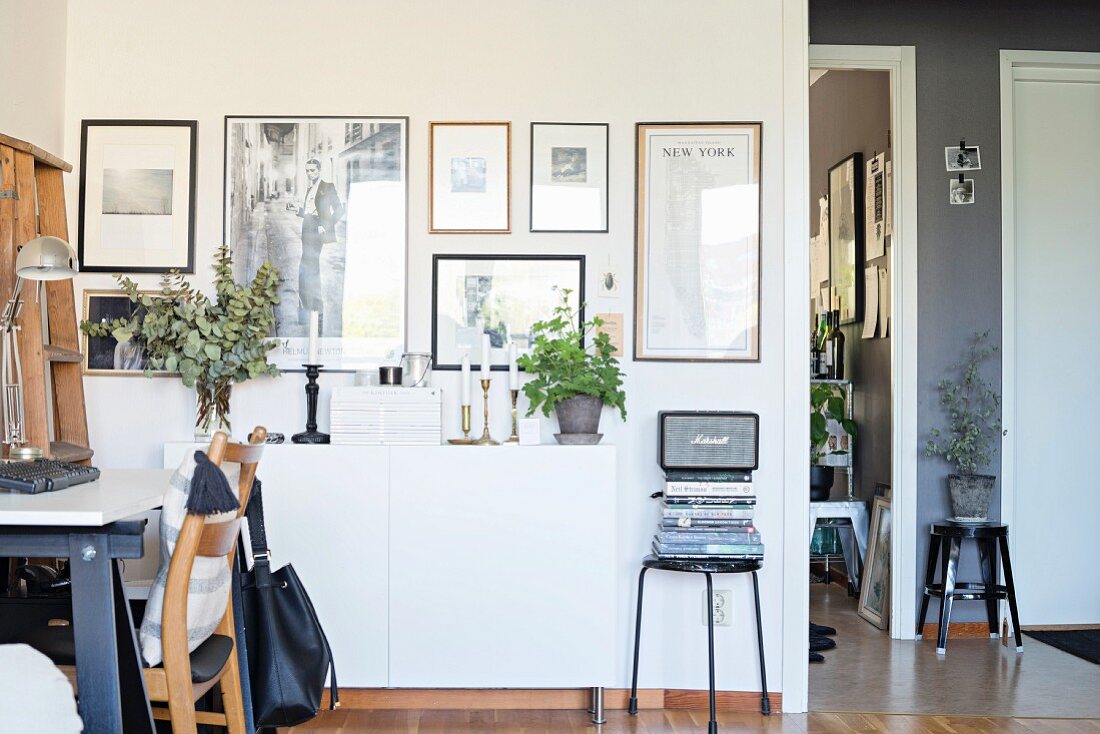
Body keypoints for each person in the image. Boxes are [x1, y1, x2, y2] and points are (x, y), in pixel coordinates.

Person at [288, 158, 343, 327]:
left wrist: (325, 226)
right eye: (307, 171)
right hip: (307, 228)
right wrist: (298, 211)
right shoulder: (310, 189)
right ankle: (307, 305)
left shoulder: (327, 187)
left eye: (312, 170)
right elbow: (309, 213)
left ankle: (314, 307)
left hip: (317, 230)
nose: (310, 173)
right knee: (306, 266)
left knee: (310, 266)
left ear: (319, 170)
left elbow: (340, 210)